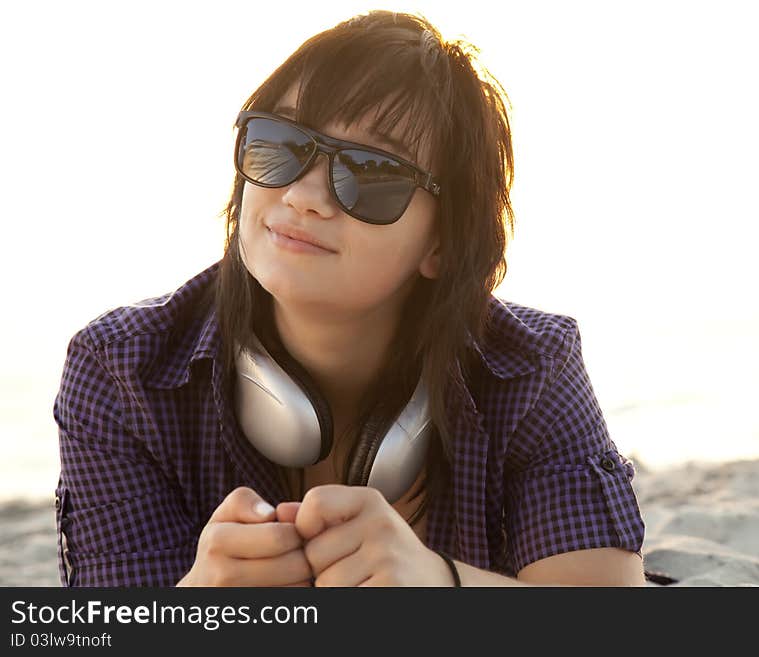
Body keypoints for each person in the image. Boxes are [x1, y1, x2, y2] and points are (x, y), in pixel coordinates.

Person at [53, 9, 646, 587]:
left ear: (442, 241)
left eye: (370, 170)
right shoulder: (123, 370)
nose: (304, 196)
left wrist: (438, 586)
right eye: (280, 143)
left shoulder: (530, 366)